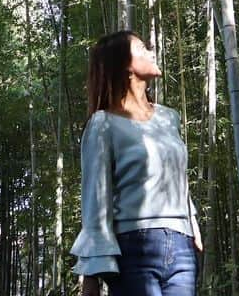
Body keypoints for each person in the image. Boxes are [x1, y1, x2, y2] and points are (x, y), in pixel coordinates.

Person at [71, 30, 202, 296]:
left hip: (182, 246)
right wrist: (91, 272)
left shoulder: (169, 118)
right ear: (126, 66)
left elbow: (177, 179)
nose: (152, 52)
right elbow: (95, 202)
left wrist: (194, 229)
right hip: (133, 247)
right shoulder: (103, 124)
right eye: (142, 48)